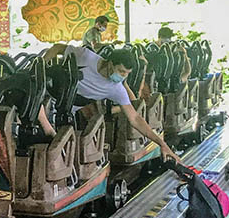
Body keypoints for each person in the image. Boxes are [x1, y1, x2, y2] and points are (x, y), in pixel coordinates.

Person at [45, 42, 181, 163]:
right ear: (110, 64)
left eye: (127, 73)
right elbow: (57, 48)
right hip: (46, 96)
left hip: (62, 111)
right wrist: (41, 67)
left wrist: (162, 144)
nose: (123, 76)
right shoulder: (86, 57)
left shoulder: (116, 89)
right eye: (121, 71)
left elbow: (135, 118)